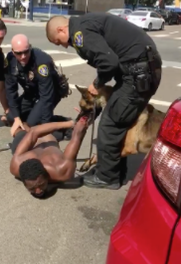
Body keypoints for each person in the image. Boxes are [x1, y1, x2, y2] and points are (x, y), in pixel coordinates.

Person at [46, 14, 162, 189]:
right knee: (119, 122)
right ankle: (116, 173)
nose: (63, 45)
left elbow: (108, 62)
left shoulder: (79, 33)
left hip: (138, 74)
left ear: (61, 29)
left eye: (58, 41)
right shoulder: (86, 23)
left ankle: (108, 177)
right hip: (140, 71)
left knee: (110, 124)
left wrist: (96, 83)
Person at [4, 34, 71, 141]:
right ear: (13, 52)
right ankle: (34, 118)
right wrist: (16, 118)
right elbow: (10, 89)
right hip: (31, 92)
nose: (23, 56)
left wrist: (44, 129)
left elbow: (47, 97)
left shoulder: (42, 62)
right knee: (12, 117)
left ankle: (66, 127)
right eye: (18, 53)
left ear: (30, 47)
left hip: (51, 92)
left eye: (26, 51)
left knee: (32, 127)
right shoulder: (10, 59)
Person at [9, 113, 93, 198]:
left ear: (45, 175)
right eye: (31, 188)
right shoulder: (63, 172)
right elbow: (78, 134)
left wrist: (70, 123)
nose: (38, 191)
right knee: (21, 128)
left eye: (41, 184)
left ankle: (21, 121)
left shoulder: (16, 164)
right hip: (47, 138)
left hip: (37, 139)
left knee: (23, 128)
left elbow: (34, 132)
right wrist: (82, 121)